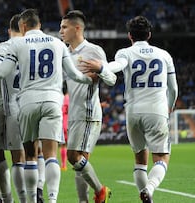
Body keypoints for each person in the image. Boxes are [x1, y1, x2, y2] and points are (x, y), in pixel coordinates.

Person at [0, 8, 95, 203]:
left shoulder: (12, 45)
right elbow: (74, 74)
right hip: (53, 100)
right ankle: (51, 199)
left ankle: (25, 200)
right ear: (40, 25)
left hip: (20, 105)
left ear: (23, 25)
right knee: (49, 154)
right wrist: (94, 77)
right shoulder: (57, 43)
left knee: (25, 157)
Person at [80, 16, 178, 203]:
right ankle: (149, 189)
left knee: (140, 161)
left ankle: (146, 197)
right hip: (157, 110)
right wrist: (169, 107)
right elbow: (173, 89)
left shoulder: (125, 52)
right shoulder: (164, 55)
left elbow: (117, 67)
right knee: (161, 158)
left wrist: (102, 67)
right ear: (149, 34)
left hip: (133, 112)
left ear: (129, 36)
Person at [59, 10, 116, 203]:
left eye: (64, 27)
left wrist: (100, 70)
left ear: (77, 28)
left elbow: (112, 78)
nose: (61, 31)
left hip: (88, 113)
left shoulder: (93, 50)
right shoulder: (65, 53)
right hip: (75, 112)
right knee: (80, 162)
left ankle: (100, 191)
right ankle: (83, 201)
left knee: (74, 157)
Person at [0, 13, 27, 203]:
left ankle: (6, 198)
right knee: (33, 156)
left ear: (10, 30)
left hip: (6, 108)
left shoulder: (4, 47)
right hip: (33, 106)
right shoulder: (32, 47)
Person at [60, 81, 69, 171]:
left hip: (62, 123)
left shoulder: (61, 99)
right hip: (70, 123)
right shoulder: (70, 98)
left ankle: (63, 165)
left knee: (63, 145)